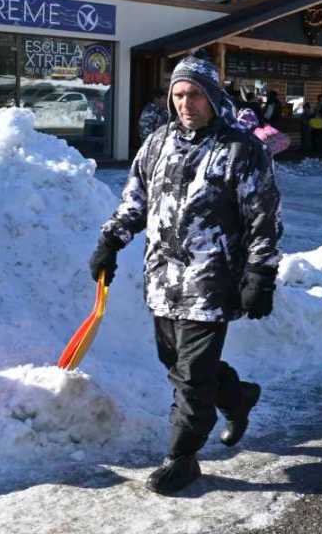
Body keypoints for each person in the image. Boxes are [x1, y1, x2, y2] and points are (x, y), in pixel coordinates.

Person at [89, 56, 283, 495]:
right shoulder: (158, 142)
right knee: (175, 362)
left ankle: (182, 456)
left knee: (193, 376)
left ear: (212, 97)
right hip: (163, 277)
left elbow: (263, 219)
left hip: (211, 279)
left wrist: (260, 272)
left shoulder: (240, 149)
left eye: (194, 94)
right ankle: (237, 397)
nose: (185, 103)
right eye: (178, 94)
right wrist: (111, 242)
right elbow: (136, 201)